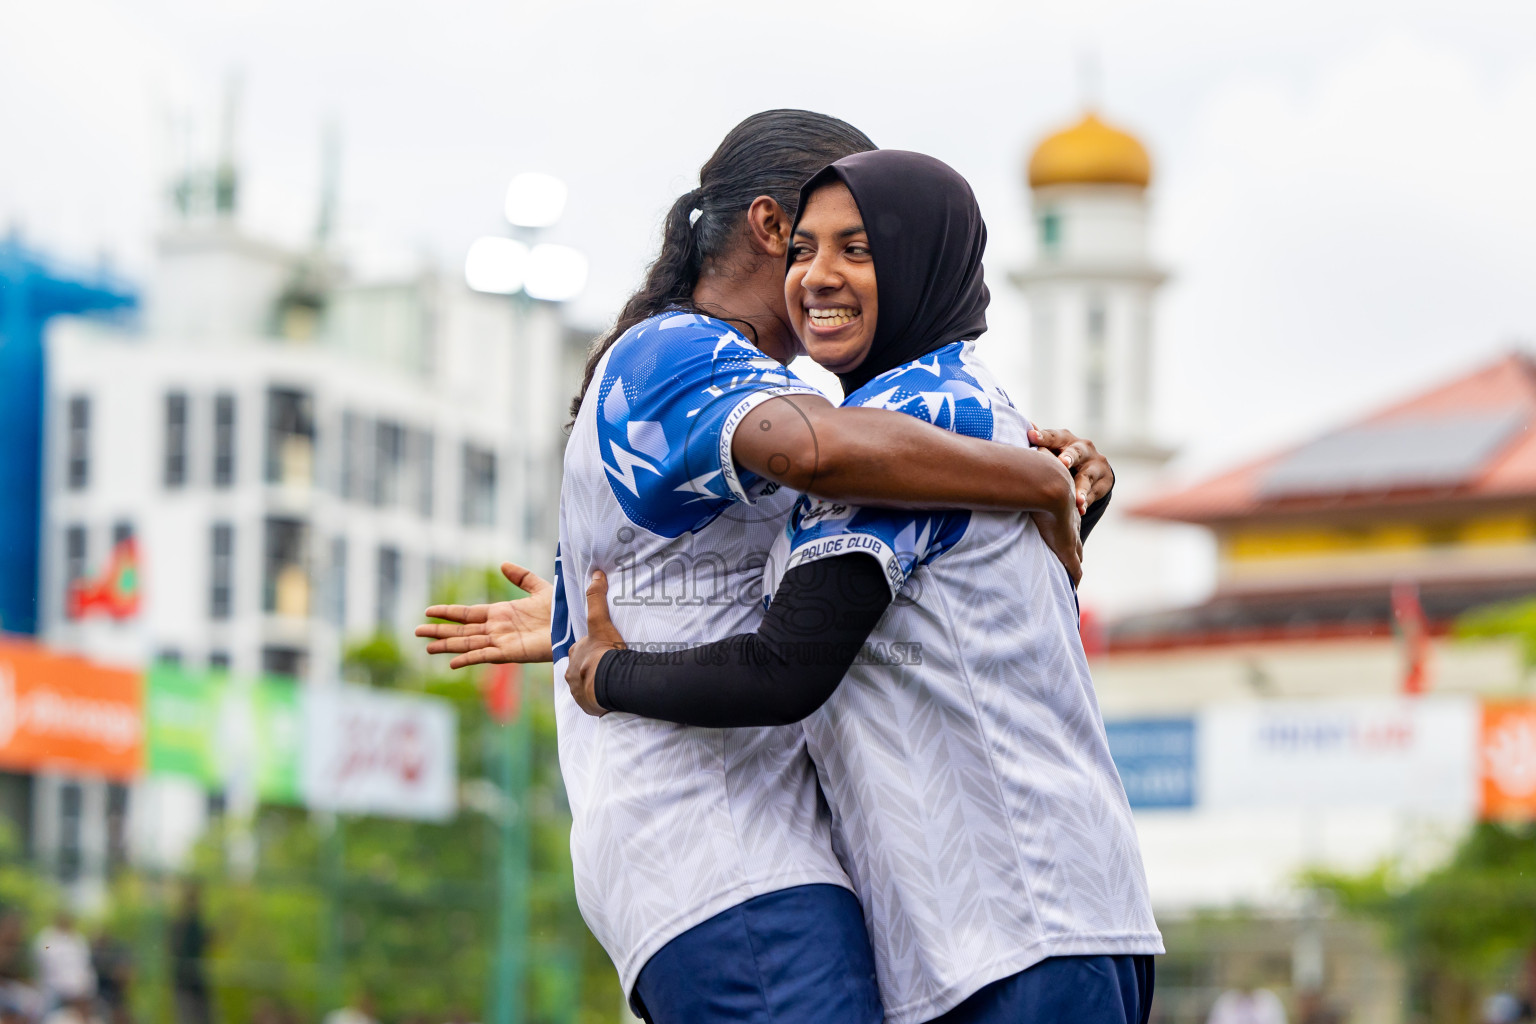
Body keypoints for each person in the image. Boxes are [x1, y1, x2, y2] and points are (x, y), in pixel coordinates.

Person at [418, 111, 1113, 1024]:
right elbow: (818, 452)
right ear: (772, 228)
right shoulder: (681, 349)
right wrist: (1028, 473)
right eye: (827, 239)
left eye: (866, 245)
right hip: (717, 844)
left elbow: (872, 572)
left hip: (766, 842)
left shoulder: (772, 381)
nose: (841, 273)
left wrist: (1056, 494)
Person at [32, 913, 93, 1014]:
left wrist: (83, 987)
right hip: (53, 988)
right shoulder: (47, 937)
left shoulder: (78, 939)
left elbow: (84, 964)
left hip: (77, 990)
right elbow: (43, 958)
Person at [167, 883, 211, 1024]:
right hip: (185, 978)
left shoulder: (192, 921)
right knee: (188, 1015)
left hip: (193, 978)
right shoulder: (184, 922)